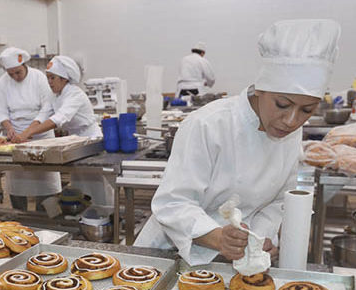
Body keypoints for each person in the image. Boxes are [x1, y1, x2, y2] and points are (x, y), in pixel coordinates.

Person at [135, 19, 341, 266]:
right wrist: (217, 237)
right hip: (168, 257)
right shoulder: (209, 124)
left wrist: (260, 237)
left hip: (234, 262)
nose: (291, 121)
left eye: (307, 110)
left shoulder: (290, 133)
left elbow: (278, 201)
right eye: (282, 105)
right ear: (262, 89)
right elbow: (172, 203)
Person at [16, 55, 114, 207]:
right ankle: (85, 214)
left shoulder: (75, 94)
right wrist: (24, 134)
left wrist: (28, 134)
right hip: (76, 141)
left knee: (96, 182)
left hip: (91, 139)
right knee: (79, 182)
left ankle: (106, 213)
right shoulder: (54, 95)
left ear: (64, 79)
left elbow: (59, 119)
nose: (49, 82)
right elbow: (42, 115)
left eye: (52, 78)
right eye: (48, 78)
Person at [0, 47, 60, 212]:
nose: (15, 77)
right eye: (11, 74)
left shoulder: (39, 78)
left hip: (42, 135)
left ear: (24, 65)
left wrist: (30, 132)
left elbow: (47, 108)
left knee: (46, 180)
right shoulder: (3, 82)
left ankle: (48, 219)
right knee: (18, 180)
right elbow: (2, 111)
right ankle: (20, 218)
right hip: (16, 137)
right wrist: (9, 129)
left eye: (18, 72)